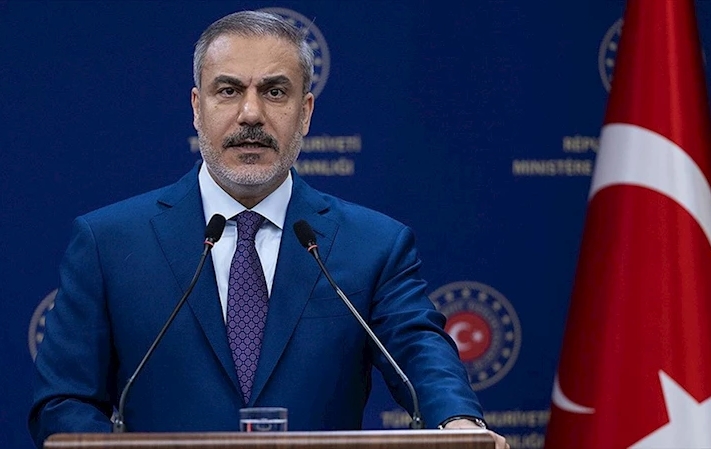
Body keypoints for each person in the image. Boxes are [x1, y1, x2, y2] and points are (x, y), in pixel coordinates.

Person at [28, 10, 508, 449]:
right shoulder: (109, 243)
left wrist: (457, 423)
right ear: (197, 107)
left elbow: (420, 351)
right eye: (228, 90)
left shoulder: (373, 245)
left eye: (275, 92)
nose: (251, 114)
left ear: (306, 112)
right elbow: (63, 402)